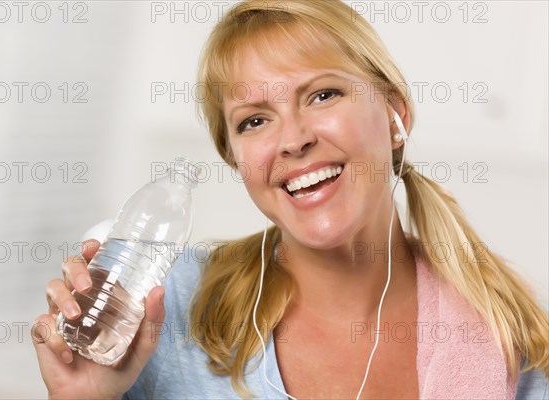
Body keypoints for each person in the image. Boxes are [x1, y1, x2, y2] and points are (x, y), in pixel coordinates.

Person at [33, 1, 549, 398]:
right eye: (254, 120)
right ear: (237, 160)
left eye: (323, 95)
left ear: (396, 116)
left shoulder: (509, 336)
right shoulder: (166, 308)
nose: (293, 139)